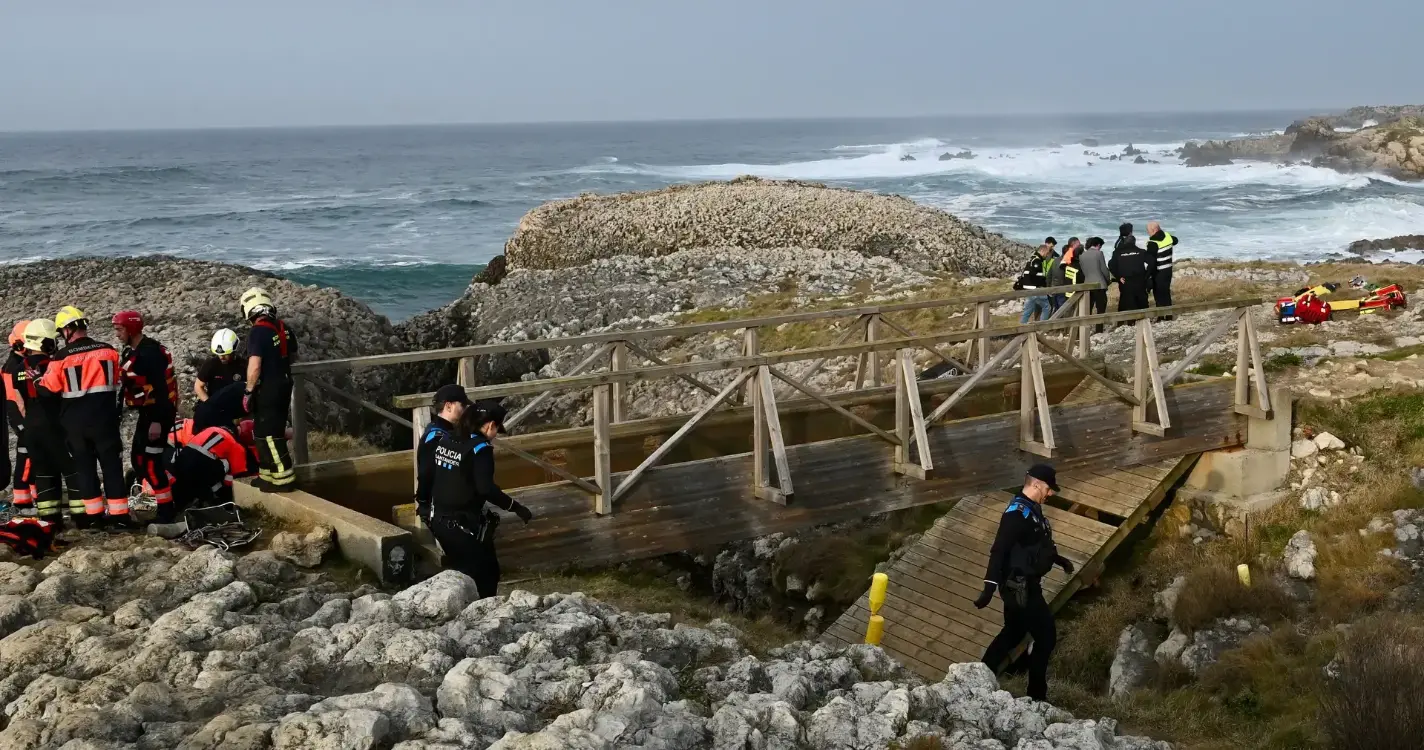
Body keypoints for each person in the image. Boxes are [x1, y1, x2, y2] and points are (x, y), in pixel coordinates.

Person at [973, 463, 1074, 702]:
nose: (1051, 494)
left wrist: (1059, 560)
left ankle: (979, 676)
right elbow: (999, 550)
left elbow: (1034, 543)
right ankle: (1037, 696)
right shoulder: (1016, 514)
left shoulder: (1031, 508)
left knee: (1014, 631)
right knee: (1046, 636)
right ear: (1036, 484)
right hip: (1020, 587)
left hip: (1021, 584)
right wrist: (988, 587)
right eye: (1049, 489)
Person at [427, 398, 533, 598]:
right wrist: (515, 507)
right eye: (496, 430)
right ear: (491, 425)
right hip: (460, 525)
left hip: (440, 520)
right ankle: (481, 617)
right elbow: (486, 488)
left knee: (463, 572)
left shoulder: (447, 439)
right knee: (486, 574)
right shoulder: (480, 449)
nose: (494, 437)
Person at [37, 307, 129, 529]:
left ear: (68, 330)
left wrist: (37, 380)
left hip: (76, 424)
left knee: (85, 470)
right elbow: (117, 380)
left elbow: (49, 389)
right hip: (105, 420)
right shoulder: (109, 351)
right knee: (112, 468)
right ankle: (120, 518)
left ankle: (95, 518)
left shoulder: (61, 357)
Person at [114, 310, 180, 523]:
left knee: (151, 463)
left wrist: (157, 423)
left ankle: (166, 510)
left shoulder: (149, 354)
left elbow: (161, 391)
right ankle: (169, 492)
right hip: (148, 412)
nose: (117, 334)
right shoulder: (135, 351)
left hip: (158, 415)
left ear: (131, 329)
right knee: (139, 459)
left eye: (119, 329)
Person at [17, 320, 77, 528]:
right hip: (53, 424)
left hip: (31, 427)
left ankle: (49, 521)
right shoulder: (50, 366)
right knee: (72, 470)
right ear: (45, 343)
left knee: (43, 474)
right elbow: (56, 393)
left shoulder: (17, 369)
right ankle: (83, 517)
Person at [240, 288, 299, 492]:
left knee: (270, 435)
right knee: (261, 432)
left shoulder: (257, 331)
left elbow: (255, 365)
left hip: (268, 388)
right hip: (284, 384)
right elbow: (292, 353)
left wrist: (248, 391)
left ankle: (284, 478)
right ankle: (266, 475)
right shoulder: (284, 327)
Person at [169, 421, 257, 515]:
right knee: (226, 465)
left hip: (180, 463)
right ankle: (215, 501)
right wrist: (227, 495)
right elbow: (237, 474)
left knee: (188, 489)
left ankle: (178, 507)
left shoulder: (211, 428)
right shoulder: (236, 446)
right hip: (200, 470)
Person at [417, 384, 471, 525]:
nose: (465, 410)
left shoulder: (444, 431)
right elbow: (426, 473)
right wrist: (423, 503)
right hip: (444, 511)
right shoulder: (436, 437)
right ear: (449, 406)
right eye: (463, 406)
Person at [3, 322, 27, 514]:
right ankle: (22, 498)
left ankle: (25, 496)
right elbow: (15, 398)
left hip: (18, 413)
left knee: (27, 455)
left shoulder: (16, 363)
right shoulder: (13, 366)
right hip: (18, 414)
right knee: (26, 453)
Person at [1108, 223, 1151, 313]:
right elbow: (1152, 262)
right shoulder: (1139, 251)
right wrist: (1146, 275)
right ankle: (1139, 320)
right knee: (1138, 300)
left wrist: (1119, 276)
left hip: (1126, 279)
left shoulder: (1118, 245)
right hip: (1134, 278)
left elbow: (1112, 265)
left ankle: (1127, 322)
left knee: (1127, 300)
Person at [195, 329, 246, 402]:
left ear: (234, 350)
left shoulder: (243, 366)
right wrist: (209, 403)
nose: (222, 357)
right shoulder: (211, 365)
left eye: (225, 354)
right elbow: (198, 386)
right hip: (216, 406)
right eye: (219, 354)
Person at [1144, 221, 1178, 320]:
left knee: (1158, 295)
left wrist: (1147, 275)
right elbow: (1175, 240)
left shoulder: (1153, 243)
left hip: (1158, 272)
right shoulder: (1168, 236)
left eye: (1149, 231)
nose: (1148, 233)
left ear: (1154, 230)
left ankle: (1160, 316)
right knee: (1166, 293)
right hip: (1168, 270)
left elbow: (1151, 262)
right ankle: (1168, 315)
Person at [1014, 244, 1056, 323]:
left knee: (1028, 310)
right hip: (1035, 289)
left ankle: (1022, 326)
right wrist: (1044, 285)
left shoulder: (1031, 259)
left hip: (1027, 288)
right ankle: (1041, 328)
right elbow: (1035, 276)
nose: (1047, 256)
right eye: (1047, 253)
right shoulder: (1037, 261)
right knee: (1047, 307)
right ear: (1042, 251)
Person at [1080, 238, 1112, 333]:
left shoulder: (1082, 255)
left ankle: (1086, 329)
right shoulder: (1099, 253)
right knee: (1100, 308)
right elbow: (1104, 270)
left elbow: (1083, 271)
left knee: (1088, 308)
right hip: (1099, 284)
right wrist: (1108, 280)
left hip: (1087, 285)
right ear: (1098, 245)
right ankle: (1099, 330)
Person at [1051, 238, 1080, 312]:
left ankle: (1056, 322)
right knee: (1063, 308)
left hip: (1054, 286)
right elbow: (1065, 275)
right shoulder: (1067, 262)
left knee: (1056, 308)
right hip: (1062, 287)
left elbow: (1050, 274)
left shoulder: (1055, 260)